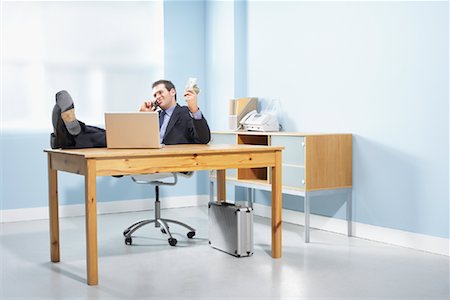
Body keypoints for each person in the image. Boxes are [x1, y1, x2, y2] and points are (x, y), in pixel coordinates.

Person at [51, 79, 211, 149]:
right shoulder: (157, 115)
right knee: (109, 135)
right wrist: (142, 115)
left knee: (111, 139)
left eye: (160, 92)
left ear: (173, 92)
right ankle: (73, 131)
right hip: (145, 150)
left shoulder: (184, 113)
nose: (157, 97)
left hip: (164, 156)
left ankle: (67, 136)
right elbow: (140, 137)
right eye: (154, 95)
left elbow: (203, 139)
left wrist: (194, 109)